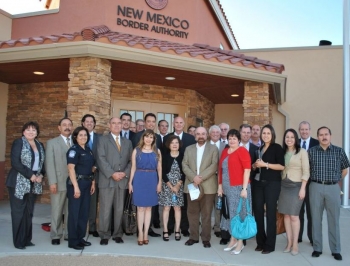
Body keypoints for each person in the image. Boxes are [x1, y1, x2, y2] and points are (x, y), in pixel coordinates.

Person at [308, 126, 350, 261]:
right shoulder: (311, 152)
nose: (324, 137)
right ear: (318, 137)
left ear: (330, 136)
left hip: (333, 187)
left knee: (334, 220)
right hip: (316, 186)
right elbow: (307, 169)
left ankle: (336, 249)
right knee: (315, 219)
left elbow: (345, 169)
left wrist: (337, 180)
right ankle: (317, 248)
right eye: (321, 135)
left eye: (326, 134)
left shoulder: (339, 151)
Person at [6, 121, 45, 249]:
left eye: (34, 130)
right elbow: (15, 162)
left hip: (33, 183)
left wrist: (40, 175)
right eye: (28, 130)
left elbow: (42, 165)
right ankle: (18, 241)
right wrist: (30, 175)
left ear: (37, 132)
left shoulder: (39, 145)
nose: (31, 132)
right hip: (18, 181)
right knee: (18, 212)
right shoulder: (19, 143)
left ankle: (27, 239)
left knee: (28, 212)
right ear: (23, 132)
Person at [97, 117, 132, 245]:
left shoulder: (127, 142)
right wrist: (112, 173)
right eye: (114, 123)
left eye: (119, 123)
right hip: (107, 180)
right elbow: (100, 158)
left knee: (119, 209)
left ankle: (117, 233)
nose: (117, 125)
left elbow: (130, 161)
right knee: (105, 209)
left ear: (122, 125)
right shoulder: (102, 140)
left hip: (122, 180)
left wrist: (124, 173)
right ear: (109, 125)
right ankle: (104, 234)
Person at [182, 127, 218, 248]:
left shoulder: (213, 149)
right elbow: (184, 165)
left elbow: (214, 166)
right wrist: (194, 178)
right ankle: (193, 237)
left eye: (203, 134)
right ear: (195, 136)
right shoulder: (188, 149)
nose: (200, 136)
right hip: (192, 185)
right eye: (198, 134)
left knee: (206, 213)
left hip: (208, 186)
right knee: (192, 212)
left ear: (207, 135)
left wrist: (200, 178)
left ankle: (206, 238)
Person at [217, 129, 251, 255]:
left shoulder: (242, 151)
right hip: (226, 188)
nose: (231, 140)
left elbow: (247, 170)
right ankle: (233, 239)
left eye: (234, 138)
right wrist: (220, 186)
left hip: (238, 188)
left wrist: (244, 189)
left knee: (239, 215)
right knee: (230, 215)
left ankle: (240, 242)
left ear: (238, 140)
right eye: (230, 138)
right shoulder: (225, 151)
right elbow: (221, 171)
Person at [253, 124, 284, 254]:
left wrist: (265, 164)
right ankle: (260, 242)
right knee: (258, 213)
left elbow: (281, 166)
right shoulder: (258, 149)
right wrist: (255, 165)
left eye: (268, 133)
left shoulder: (277, 148)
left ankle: (270, 245)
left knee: (270, 214)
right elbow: (256, 167)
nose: (265, 135)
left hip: (272, 184)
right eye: (264, 133)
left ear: (272, 135)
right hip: (258, 184)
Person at [278, 128, 309, 256]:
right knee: (286, 215)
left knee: (294, 216)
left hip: (296, 186)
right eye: (287, 137)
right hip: (283, 185)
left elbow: (306, 171)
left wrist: (303, 188)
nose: (289, 139)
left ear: (296, 139)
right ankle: (289, 243)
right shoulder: (282, 151)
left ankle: (295, 244)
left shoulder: (302, 152)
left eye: (292, 137)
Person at [163, 116, 196, 237]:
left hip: (183, 178)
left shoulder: (190, 138)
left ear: (184, 124)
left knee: (183, 205)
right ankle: (170, 227)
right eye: (176, 122)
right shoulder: (167, 137)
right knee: (169, 205)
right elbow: (163, 161)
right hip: (168, 180)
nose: (178, 124)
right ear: (173, 124)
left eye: (181, 122)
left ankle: (184, 228)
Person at [128, 129, 162, 245]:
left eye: (151, 137)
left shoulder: (157, 151)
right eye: (146, 137)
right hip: (139, 179)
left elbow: (159, 168)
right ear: (143, 138)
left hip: (152, 179)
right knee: (140, 208)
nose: (148, 139)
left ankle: (146, 233)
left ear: (154, 139)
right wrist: (130, 183)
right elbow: (133, 168)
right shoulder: (136, 151)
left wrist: (159, 183)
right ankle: (140, 233)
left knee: (149, 208)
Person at [66, 126, 95, 250]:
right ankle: (73, 241)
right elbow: (71, 168)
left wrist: (93, 182)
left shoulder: (88, 150)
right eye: (80, 135)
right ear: (75, 137)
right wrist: (76, 187)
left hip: (87, 183)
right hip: (76, 184)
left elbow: (91, 167)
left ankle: (80, 238)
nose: (83, 137)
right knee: (74, 213)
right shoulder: (74, 150)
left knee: (83, 213)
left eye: (85, 135)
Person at [45, 117, 73, 245]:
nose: (67, 127)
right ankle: (55, 235)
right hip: (58, 181)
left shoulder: (76, 142)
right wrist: (52, 182)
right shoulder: (52, 143)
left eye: (69, 125)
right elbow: (49, 164)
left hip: (73, 183)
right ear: (59, 127)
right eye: (64, 125)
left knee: (69, 210)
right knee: (57, 209)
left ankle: (67, 233)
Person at [159, 135, 185, 242]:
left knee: (177, 208)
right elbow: (163, 172)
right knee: (166, 208)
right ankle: (165, 230)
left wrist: (178, 185)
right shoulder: (165, 156)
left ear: (179, 145)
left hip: (179, 185)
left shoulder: (183, 156)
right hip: (167, 185)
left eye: (176, 143)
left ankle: (177, 230)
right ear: (169, 145)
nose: (174, 145)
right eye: (172, 143)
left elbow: (185, 171)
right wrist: (170, 186)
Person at [298, 121, 319, 245]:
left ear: (310, 130)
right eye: (302, 129)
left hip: (312, 183)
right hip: (298, 183)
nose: (304, 132)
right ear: (299, 130)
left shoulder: (316, 143)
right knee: (299, 212)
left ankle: (312, 238)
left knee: (312, 213)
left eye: (306, 129)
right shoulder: (295, 143)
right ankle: (298, 236)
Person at [81, 114, 101, 238]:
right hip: (81, 175)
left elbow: (102, 156)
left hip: (97, 175)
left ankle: (92, 227)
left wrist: (96, 167)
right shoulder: (78, 137)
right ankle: (82, 227)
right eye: (87, 121)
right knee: (81, 202)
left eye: (91, 121)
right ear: (83, 123)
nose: (89, 123)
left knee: (93, 203)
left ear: (94, 124)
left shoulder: (100, 138)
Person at [209, 125, 226, 238]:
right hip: (208, 179)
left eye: (217, 132)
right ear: (209, 134)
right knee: (207, 205)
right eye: (213, 132)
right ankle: (206, 227)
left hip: (221, 179)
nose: (215, 134)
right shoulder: (204, 145)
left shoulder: (226, 146)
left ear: (220, 134)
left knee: (218, 205)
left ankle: (218, 227)